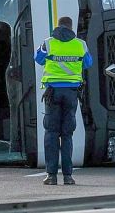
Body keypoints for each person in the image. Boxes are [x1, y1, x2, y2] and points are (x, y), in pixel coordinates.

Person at [34, 16, 92, 186]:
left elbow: (38, 59)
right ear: (71, 27)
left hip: (52, 93)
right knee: (67, 134)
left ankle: (51, 176)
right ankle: (68, 176)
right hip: (71, 94)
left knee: (51, 133)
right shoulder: (80, 44)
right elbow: (88, 63)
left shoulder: (48, 43)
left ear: (58, 26)